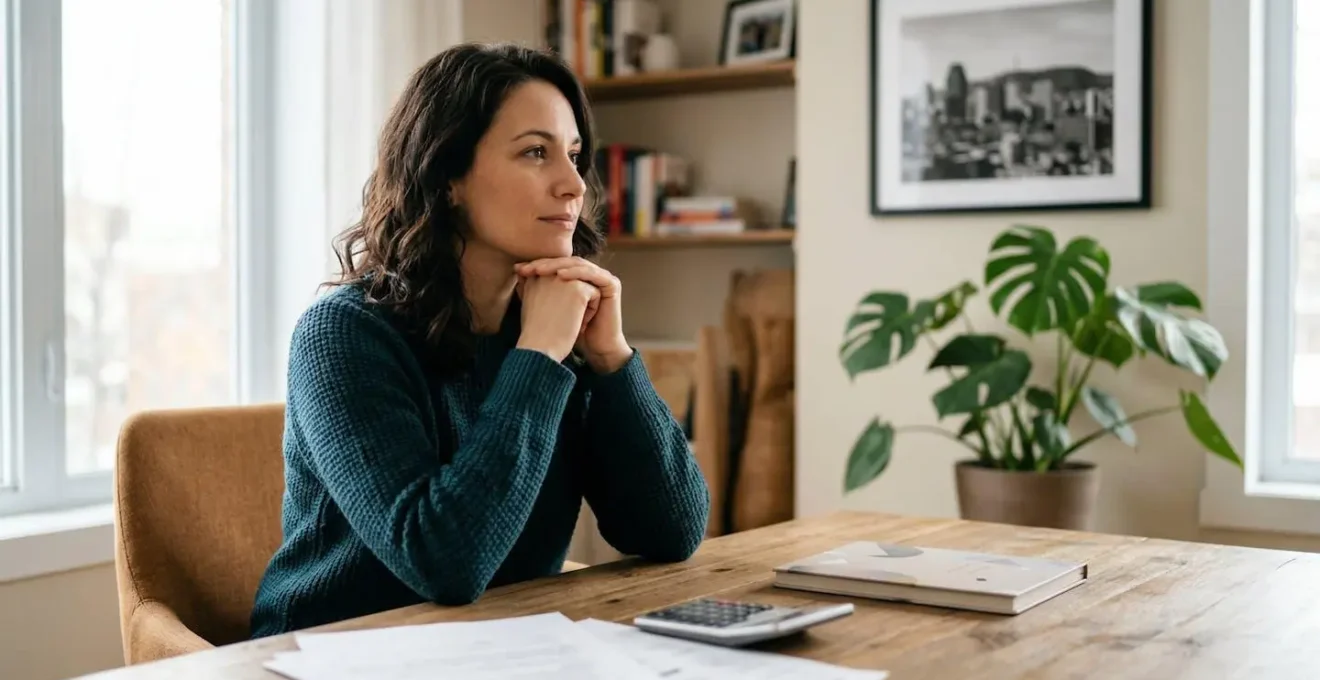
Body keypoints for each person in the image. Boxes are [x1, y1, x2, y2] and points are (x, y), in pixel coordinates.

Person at [248, 42, 711, 638]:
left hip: (501, 646)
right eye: (536, 153)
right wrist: (538, 356)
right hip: (331, 652)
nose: (574, 185)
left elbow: (671, 531)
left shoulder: (554, 327)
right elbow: (442, 563)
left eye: (573, 155)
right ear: (447, 179)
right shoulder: (342, 334)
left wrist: (611, 358)